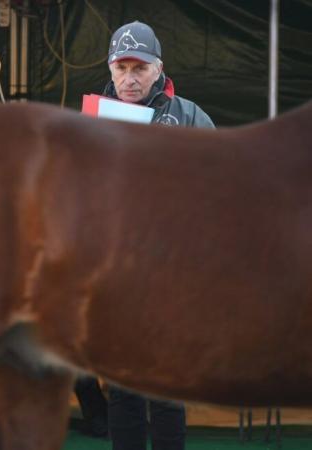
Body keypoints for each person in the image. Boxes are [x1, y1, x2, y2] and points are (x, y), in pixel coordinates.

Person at [101, 21, 215, 450]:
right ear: (110, 69)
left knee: (166, 393)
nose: (130, 78)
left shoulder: (190, 117)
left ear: (158, 68)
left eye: (139, 68)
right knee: (123, 391)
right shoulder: (93, 119)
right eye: (121, 67)